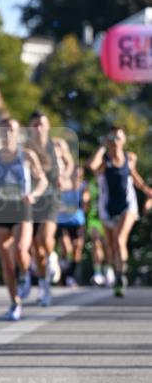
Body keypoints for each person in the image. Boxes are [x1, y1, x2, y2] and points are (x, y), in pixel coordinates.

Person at [0, 117, 47, 321]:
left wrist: (34, 194)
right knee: (7, 263)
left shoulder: (26, 155)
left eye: (11, 129)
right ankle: (14, 302)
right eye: (4, 129)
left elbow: (42, 181)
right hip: (2, 210)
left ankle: (26, 273)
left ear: (17, 132)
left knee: (20, 249)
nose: (7, 133)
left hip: (22, 208)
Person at [87, 128, 152, 297]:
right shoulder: (104, 160)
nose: (115, 141)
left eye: (118, 137)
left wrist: (147, 191)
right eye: (112, 138)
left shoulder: (129, 158)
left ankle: (120, 275)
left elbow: (134, 177)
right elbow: (92, 166)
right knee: (110, 246)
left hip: (127, 206)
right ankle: (116, 273)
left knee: (120, 239)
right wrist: (102, 147)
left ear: (124, 140)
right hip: (107, 206)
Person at [24, 111, 74, 307]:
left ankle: (52, 256)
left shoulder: (58, 144)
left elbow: (70, 164)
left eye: (41, 124)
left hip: (52, 197)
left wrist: (64, 176)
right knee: (35, 246)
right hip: (33, 198)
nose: (38, 128)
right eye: (35, 124)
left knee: (44, 238)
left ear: (48, 126)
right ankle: (44, 286)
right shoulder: (26, 147)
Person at [56, 166, 87, 286]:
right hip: (63, 222)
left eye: (80, 176)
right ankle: (62, 275)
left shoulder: (83, 187)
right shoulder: (63, 186)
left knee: (77, 249)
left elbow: (85, 204)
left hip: (78, 222)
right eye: (75, 175)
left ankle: (70, 275)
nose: (77, 178)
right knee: (66, 248)